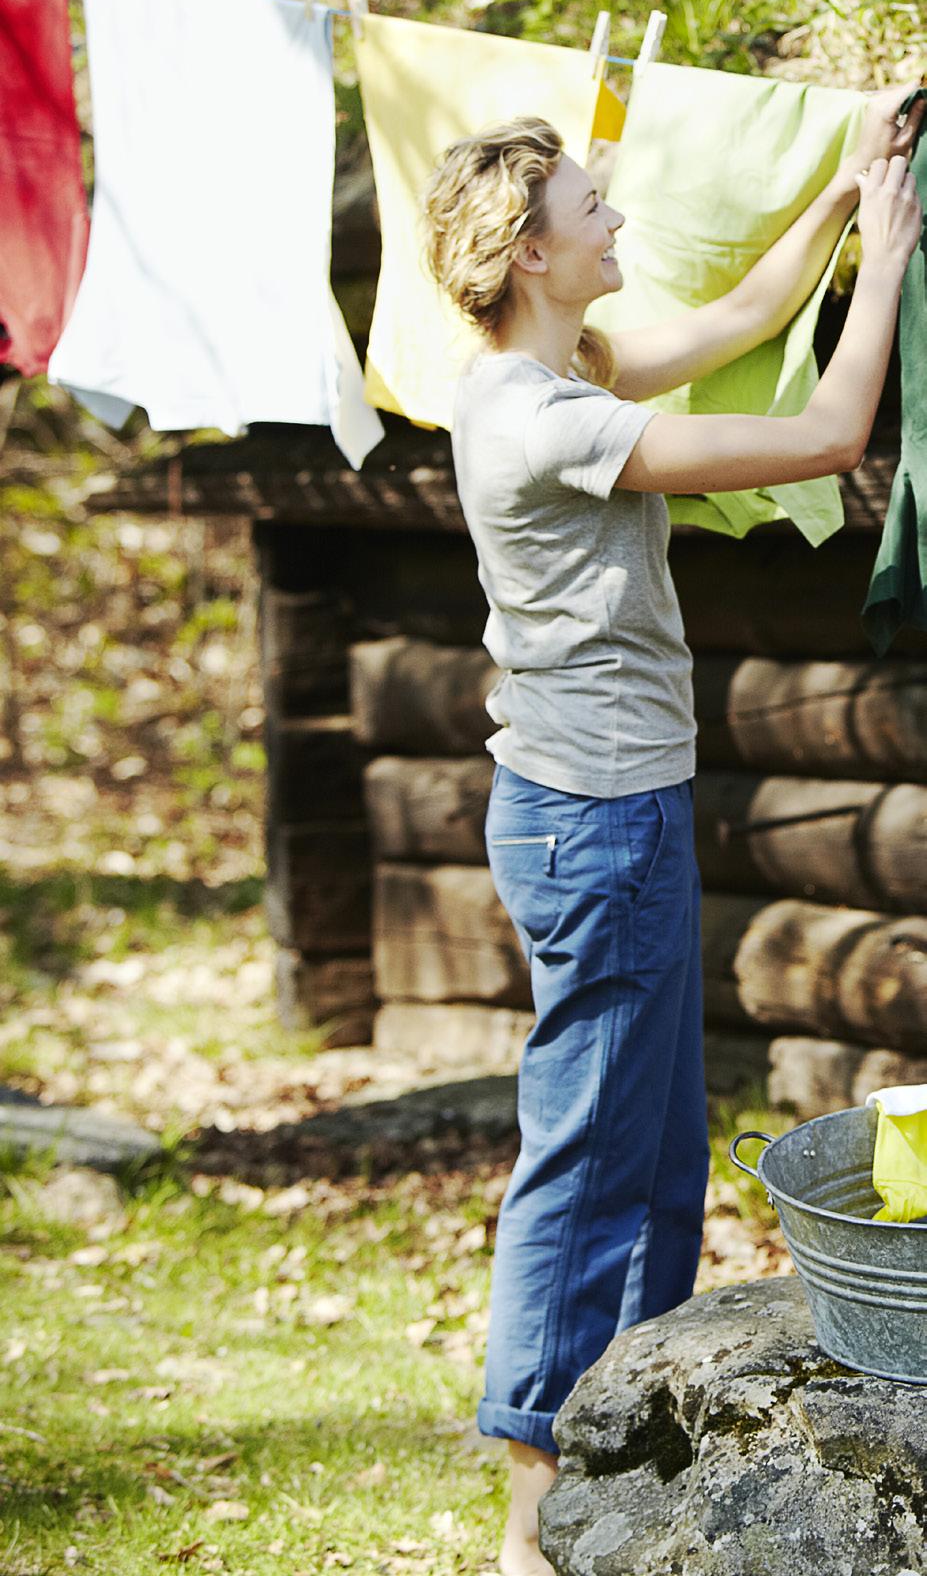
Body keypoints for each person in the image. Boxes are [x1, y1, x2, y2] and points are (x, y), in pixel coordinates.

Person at [421, 83, 923, 1576]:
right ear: (527, 252)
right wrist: (892, 258)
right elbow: (832, 430)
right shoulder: (549, 421)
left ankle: (618, 1458)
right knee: (585, 1158)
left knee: (653, 1151)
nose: (619, 218)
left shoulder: (564, 364)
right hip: (593, 827)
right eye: (592, 210)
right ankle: (532, 1511)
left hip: (605, 813)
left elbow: (746, 313)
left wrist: (847, 192)